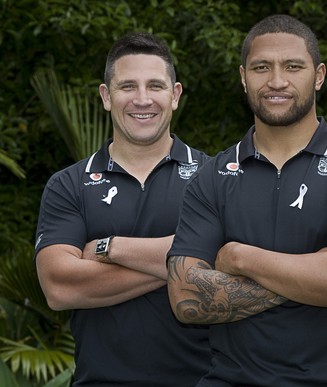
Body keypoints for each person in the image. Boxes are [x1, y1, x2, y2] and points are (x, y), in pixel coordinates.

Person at [166, 14, 327, 386]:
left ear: (318, 75)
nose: (276, 81)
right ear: (243, 76)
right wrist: (315, 274)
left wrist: (241, 258)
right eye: (261, 67)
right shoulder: (212, 177)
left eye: (292, 66)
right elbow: (187, 298)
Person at [34, 32, 212, 386]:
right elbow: (59, 288)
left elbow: (234, 266)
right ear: (106, 96)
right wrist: (189, 261)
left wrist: (110, 247)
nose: (142, 100)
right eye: (128, 86)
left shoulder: (215, 178)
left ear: (175, 95)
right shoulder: (69, 184)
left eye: (155, 86)